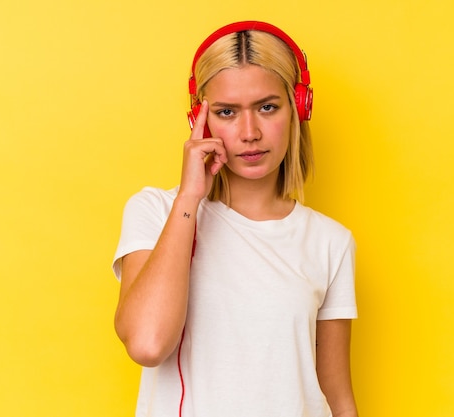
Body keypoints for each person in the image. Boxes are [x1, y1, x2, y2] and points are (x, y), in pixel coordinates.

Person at [112, 21, 359, 417]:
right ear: (200, 119)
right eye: (227, 112)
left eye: (267, 107)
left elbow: (336, 395)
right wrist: (190, 197)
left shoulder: (331, 242)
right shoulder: (156, 211)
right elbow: (147, 343)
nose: (249, 132)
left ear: (298, 108)